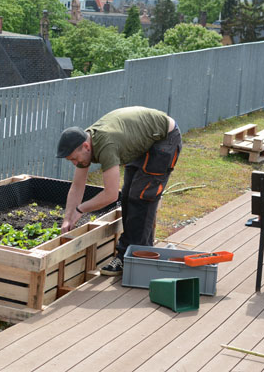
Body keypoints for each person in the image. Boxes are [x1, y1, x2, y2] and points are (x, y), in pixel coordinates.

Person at [56, 106, 182, 276]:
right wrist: (67, 218)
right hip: (142, 138)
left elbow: (110, 195)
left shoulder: (106, 145)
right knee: (128, 196)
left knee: (141, 197)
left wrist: (81, 209)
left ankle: (138, 261)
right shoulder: (84, 143)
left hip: (164, 139)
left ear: (86, 146)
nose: (73, 163)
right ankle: (132, 254)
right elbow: (77, 186)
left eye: (74, 158)